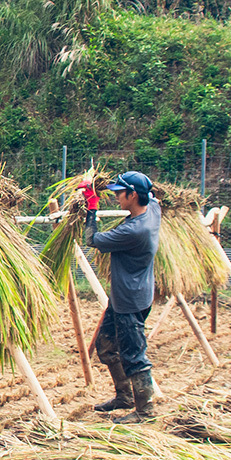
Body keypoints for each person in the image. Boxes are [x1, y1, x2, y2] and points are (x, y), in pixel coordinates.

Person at [78, 171, 162, 423]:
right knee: (105, 346)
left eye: (119, 193)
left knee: (134, 356)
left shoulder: (135, 230)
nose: (116, 197)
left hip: (130, 301)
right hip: (127, 296)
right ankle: (124, 396)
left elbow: (91, 239)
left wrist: (92, 205)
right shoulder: (153, 209)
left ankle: (144, 411)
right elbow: (154, 196)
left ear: (133, 195)